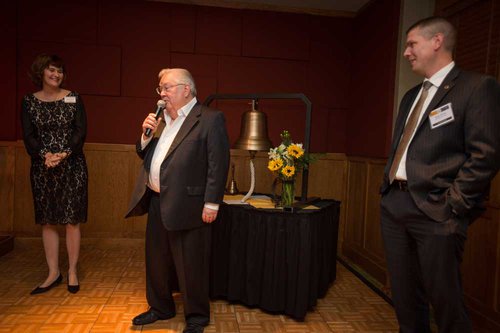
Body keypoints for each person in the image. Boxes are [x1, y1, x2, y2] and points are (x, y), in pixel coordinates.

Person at [380, 16, 500, 332]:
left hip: (436, 211)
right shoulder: (411, 96)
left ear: (437, 41)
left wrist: (453, 206)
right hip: (395, 206)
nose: (406, 52)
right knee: (405, 300)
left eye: (411, 44)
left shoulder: (477, 88)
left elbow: (485, 155)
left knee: (446, 304)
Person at [125, 68, 230, 333]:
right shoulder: (165, 120)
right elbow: (147, 154)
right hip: (158, 201)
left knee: (190, 263)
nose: (161, 94)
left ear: (187, 89)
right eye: (160, 88)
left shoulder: (209, 118)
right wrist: (146, 135)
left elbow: (218, 164)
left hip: (191, 206)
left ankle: (196, 317)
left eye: (167, 88)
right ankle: (160, 307)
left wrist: (212, 203)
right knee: (157, 261)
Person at [21, 54, 88, 295]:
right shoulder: (29, 101)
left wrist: (63, 153)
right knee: (48, 220)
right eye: (52, 70)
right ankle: (53, 273)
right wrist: (45, 155)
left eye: (60, 71)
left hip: (72, 166)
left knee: (72, 220)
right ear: (41, 73)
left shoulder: (73, 98)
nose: (56, 75)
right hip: (42, 167)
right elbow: (29, 136)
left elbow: (81, 131)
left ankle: (71, 271)